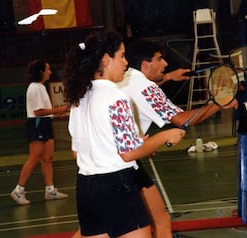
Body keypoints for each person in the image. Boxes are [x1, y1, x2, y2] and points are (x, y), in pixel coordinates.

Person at [63, 31, 185, 238]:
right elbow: (128, 153)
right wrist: (165, 136)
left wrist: (136, 142)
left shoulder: (79, 99)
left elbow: (78, 153)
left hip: (87, 189)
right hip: (118, 185)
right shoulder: (115, 97)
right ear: (105, 60)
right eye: (121, 56)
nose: (126, 62)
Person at [117, 39, 238, 238]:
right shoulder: (147, 88)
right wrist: (218, 104)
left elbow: (141, 88)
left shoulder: (127, 76)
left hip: (116, 162)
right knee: (122, 227)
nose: (165, 64)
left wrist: (169, 77)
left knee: (158, 220)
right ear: (146, 65)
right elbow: (183, 120)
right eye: (160, 59)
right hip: (122, 165)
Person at [11, 60, 69, 205]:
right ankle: (18, 190)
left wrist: (54, 115)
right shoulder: (35, 88)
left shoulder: (41, 87)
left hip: (45, 123)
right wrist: (58, 110)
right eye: (47, 69)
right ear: (41, 71)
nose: (50, 72)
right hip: (37, 124)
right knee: (35, 157)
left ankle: (50, 190)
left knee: (48, 157)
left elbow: (44, 111)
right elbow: (38, 111)